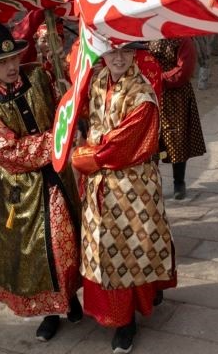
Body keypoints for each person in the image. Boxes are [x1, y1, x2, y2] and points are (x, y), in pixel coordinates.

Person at [0, 19, 82, 342]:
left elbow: (64, 103)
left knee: (67, 241)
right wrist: (56, 140)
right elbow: (7, 151)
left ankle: (70, 297)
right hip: (23, 190)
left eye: (13, 58)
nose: (10, 66)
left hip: (59, 177)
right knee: (37, 254)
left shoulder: (39, 75)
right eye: (2, 62)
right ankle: (50, 310)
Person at [71, 43, 177, 354]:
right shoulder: (98, 80)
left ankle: (125, 320)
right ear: (101, 53)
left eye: (125, 51)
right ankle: (118, 312)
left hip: (132, 187)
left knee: (130, 250)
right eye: (111, 50)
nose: (118, 58)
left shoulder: (141, 93)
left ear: (135, 54)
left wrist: (86, 155)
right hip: (99, 184)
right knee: (101, 249)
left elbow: (121, 144)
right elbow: (91, 120)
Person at [148, 37, 207, 200]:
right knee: (151, 139)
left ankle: (178, 182)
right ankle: (151, 183)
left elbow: (184, 70)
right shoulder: (147, 34)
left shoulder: (183, 39)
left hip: (176, 97)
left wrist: (157, 79)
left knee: (176, 138)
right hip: (150, 95)